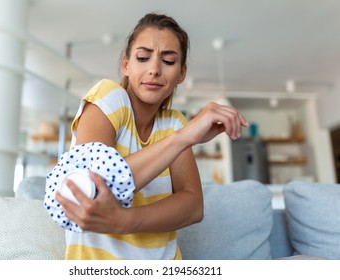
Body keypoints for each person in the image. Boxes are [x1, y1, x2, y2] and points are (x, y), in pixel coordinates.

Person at [45, 12, 248, 260]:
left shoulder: (173, 123)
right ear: (126, 64)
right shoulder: (110, 96)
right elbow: (91, 187)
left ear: (181, 74)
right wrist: (184, 137)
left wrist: (124, 220)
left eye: (169, 61)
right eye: (143, 57)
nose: (154, 70)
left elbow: (194, 207)